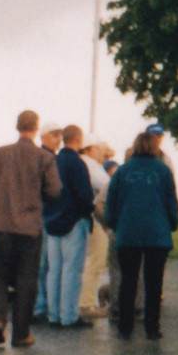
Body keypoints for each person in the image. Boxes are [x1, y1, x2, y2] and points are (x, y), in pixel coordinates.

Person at [0, 110, 62, 348]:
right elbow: (54, 191)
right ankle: (21, 334)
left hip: (0, 224)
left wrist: (0, 196)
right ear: (36, 128)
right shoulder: (43, 158)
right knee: (27, 278)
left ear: (17, 127)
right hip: (29, 227)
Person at [105, 125, 178, 339]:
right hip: (157, 233)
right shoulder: (163, 171)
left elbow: (111, 203)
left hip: (128, 233)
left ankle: (125, 327)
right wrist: (173, 223)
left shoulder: (122, 172)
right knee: (154, 282)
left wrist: (114, 224)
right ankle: (152, 328)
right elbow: (171, 201)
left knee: (128, 280)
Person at [40, 124, 95, 327]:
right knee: (72, 270)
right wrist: (88, 211)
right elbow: (85, 195)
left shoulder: (53, 161)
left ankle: (53, 314)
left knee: (54, 270)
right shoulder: (77, 163)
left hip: (52, 221)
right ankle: (69, 316)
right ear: (79, 140)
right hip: (73, 221)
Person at [78, 142, 114, 319]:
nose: (102, 153)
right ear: (91, 148)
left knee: (91, 260)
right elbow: (108, 186)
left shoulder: (84, 163)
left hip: (87, 219)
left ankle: (86, 300)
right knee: (96, 261)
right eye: (100, 149)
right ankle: (87, 303)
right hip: (96, 220)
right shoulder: (91, 166)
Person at [31, 126, 64, 321]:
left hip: (49, 216)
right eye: (54, 135)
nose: (58, 139)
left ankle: (45, 305)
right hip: (42, 216)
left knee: (48, 264)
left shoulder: (52, 158)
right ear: (43, 137)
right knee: (41, 264)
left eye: (60, 135)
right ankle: (39, 307)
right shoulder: (42, 158)